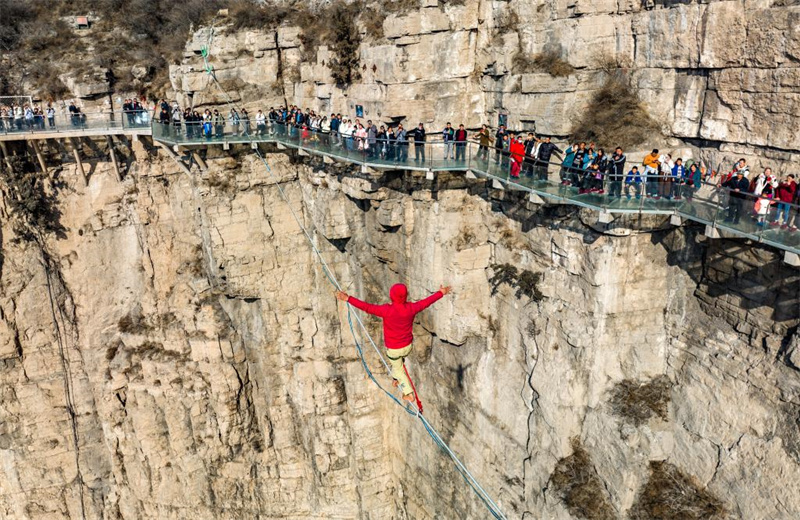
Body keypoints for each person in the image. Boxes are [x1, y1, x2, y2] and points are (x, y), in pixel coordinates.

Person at [335, 284, 451, 403]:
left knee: (398, 367)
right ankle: (396, 379)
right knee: (397, 363)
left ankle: (409, 393)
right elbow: (427, 302)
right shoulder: (411, 308)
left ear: (392, 296)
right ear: (406, 296)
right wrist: (441, 292)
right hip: (408, 346)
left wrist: (348, 298)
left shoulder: (386, 310)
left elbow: (367, 307)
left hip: (394, 349)